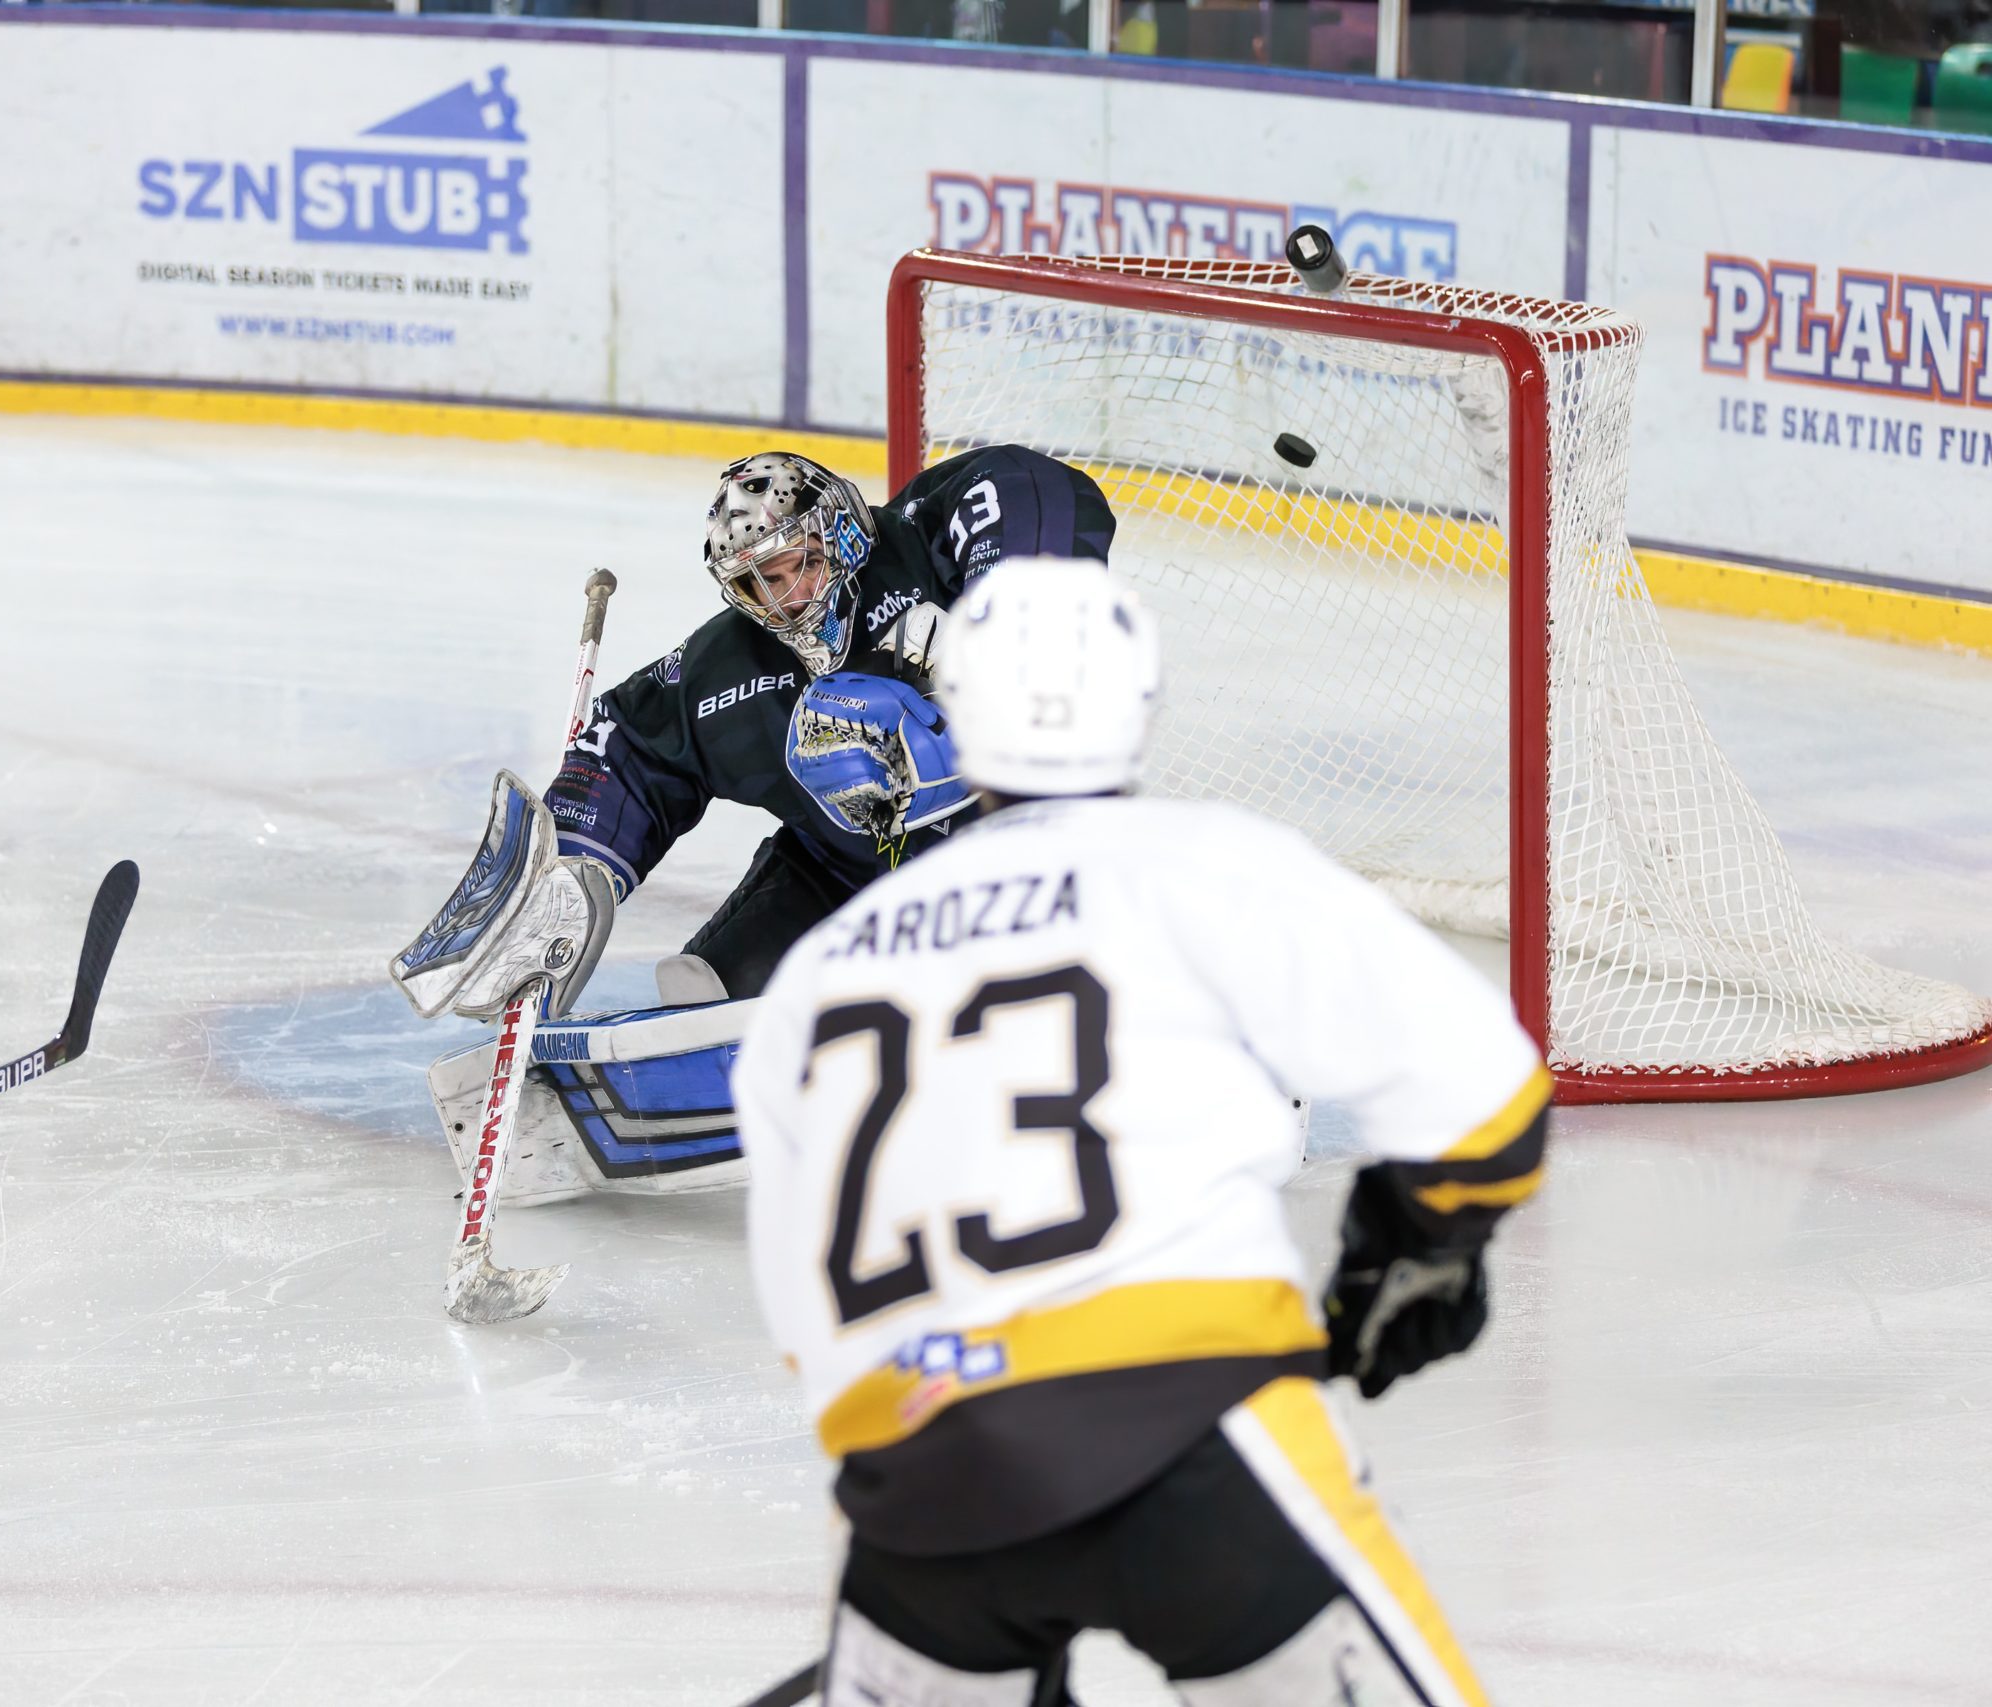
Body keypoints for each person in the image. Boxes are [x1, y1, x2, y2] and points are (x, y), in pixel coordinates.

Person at [733, 557, 1549, 1705]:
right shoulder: (1209, 866)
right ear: (1145, 704)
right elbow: (1487, 1099)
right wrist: (1415, 1244)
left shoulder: (821, 971)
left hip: (924, 1486)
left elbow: (799, 1293)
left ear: (948, 711)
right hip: (1194, 1437)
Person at [544, 446, 1115, 1004]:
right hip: (842, 875)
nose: (789, 600)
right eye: (759, 581)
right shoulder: (736, 664)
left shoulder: (922, 544)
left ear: (843, 531)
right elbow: (633, 745)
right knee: (706, 997)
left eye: (803, 563)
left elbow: (1030, 484)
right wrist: (563, 874)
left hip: (1020, 863)